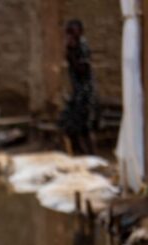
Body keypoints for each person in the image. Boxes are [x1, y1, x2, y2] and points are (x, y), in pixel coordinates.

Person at [60, 19, 96, 155]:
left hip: (85, 94)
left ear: (79, 33)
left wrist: (71, 53)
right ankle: (79, 153)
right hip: (77, 93)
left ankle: (91, 156)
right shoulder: (73, 47)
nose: (69, 36)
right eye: (68, 33)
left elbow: (83, 69)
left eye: (72, 33)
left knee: (85, 128)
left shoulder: (82, 46)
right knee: (69, 126)